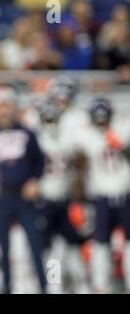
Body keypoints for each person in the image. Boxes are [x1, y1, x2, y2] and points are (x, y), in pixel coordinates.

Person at [0, 84, 46, 294]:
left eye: (7, 105)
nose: (3, 110)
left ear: (14, 106)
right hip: (0, 197)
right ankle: (7, 288)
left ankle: (44, 286)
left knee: (36, 243)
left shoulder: (27, 132)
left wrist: (35, 180)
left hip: (24, 197)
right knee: (3, 247)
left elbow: (39, 161)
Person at [74, 96, 130, 293]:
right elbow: (79, 166)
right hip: (101, 196)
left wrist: (122, 147)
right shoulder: (87, 136)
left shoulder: (122, 129)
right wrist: (79, 199)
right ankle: (100, 286)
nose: (101, 122)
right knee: (101, 243)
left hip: (124, 194)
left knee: (124, 242)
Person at [36, 101, 89, 293]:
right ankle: (56, 284)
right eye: (48, 118)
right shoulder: (46, 139)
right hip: (46, 200)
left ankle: (77, 284)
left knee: (71, 245)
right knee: (52, 248)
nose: (50, 122)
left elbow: (80, 163)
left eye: (52, 118)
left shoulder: (43, 139)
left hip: (62, 199)